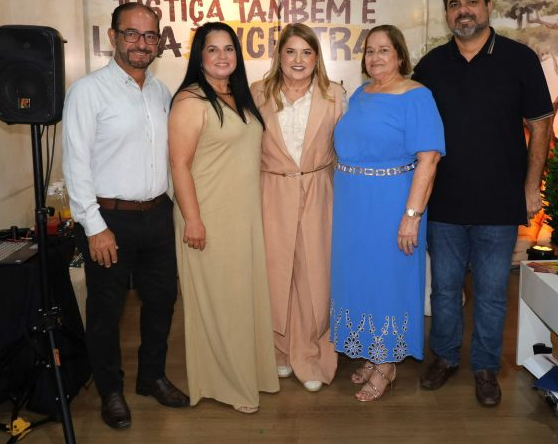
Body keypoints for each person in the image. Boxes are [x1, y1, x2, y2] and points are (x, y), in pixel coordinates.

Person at [412, 0, 553, 406]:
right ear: (447, 13)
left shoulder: (520, 59)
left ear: (488, 6)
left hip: (499, 203)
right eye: (454, 4)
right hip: (444, 203)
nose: (463, 11)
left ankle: (486, 368)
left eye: (471, 1)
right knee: (445, 290)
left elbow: (540, 125)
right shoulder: (431, 66)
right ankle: (444, 357)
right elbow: (412, 128)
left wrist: (531, 188)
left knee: (492, 294)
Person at [62, 2, 189, 430]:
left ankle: (151, 377)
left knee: (162, 302)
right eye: (131, 34)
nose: (141, 43)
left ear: (159, 42)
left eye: (150, 36)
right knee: (106, 311)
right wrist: (94, 227)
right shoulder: (87, 91)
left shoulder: (160, 92)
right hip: (108, 220)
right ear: (113, 36)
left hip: (157, 215)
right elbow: (75, 165)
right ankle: (110, 390)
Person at [330, 24, 445, 402]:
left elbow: (429, 159)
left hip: (392, 205)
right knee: (360, 279)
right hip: (352, 208)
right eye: (370, 50)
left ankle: (386, 363)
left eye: (384, 50)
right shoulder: (361, 93)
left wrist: (411, 215)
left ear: (399, 56)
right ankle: (371, 350)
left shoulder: (417, 96)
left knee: (387, 281)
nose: (375, 57)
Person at [169, 21, 279, 414]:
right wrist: (193, 220)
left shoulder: (239, 96)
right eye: (212, 49)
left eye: (228, 48)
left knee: (242, 300)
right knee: (221, 305)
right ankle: (230, 386)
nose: (222, 56)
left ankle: (252, 374)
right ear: (199, 57)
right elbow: (179, 166)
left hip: (242, 216)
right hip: (208, 216)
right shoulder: (191, 100)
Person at [251, 23, 344, 393]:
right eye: (290, 51)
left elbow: (348, 146)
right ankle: (277, 350)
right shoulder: (257, 93)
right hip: (271, 191)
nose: (298, 60)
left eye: (307, 52)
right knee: (275, 274)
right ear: (279, 56)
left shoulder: (334, 94)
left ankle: (311, 355)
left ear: (316, 57)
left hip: (319, 190)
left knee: (314, 277)